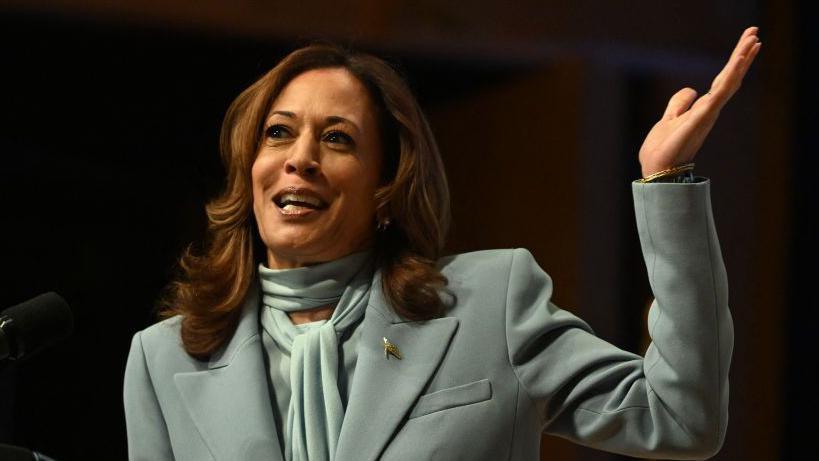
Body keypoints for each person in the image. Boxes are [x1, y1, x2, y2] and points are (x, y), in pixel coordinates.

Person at [123, 27, 761, 461]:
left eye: (337, 138)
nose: (300, 159)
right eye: (278, 134)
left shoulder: (489, 305)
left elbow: (681, 419)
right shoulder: (163, 360)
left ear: (385, 183)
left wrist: (667, 185)